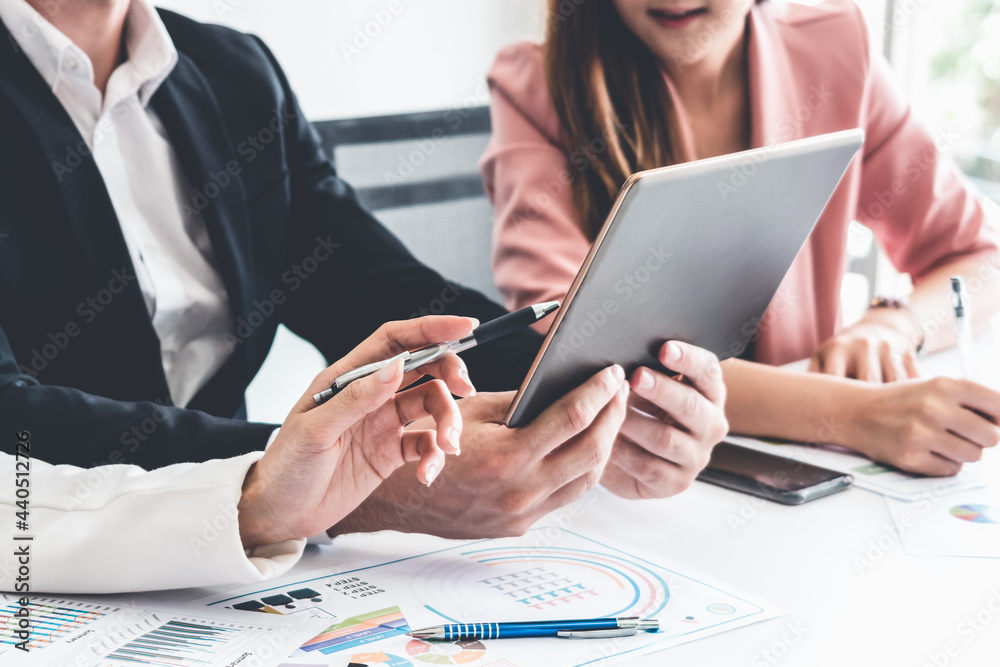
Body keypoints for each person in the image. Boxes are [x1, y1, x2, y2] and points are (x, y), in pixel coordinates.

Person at [0, 0, 727, 556]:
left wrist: (604, 386)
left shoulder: (234, 74)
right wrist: (337, 482)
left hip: (238, 586)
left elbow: (383, 293)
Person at [482, 0, 1000, 476]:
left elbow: (978, 256)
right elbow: (573, 342)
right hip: (630, 479)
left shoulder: (834, 45)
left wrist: (895, 325)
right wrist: (856, 415)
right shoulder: (533, 86)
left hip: (804, 471)